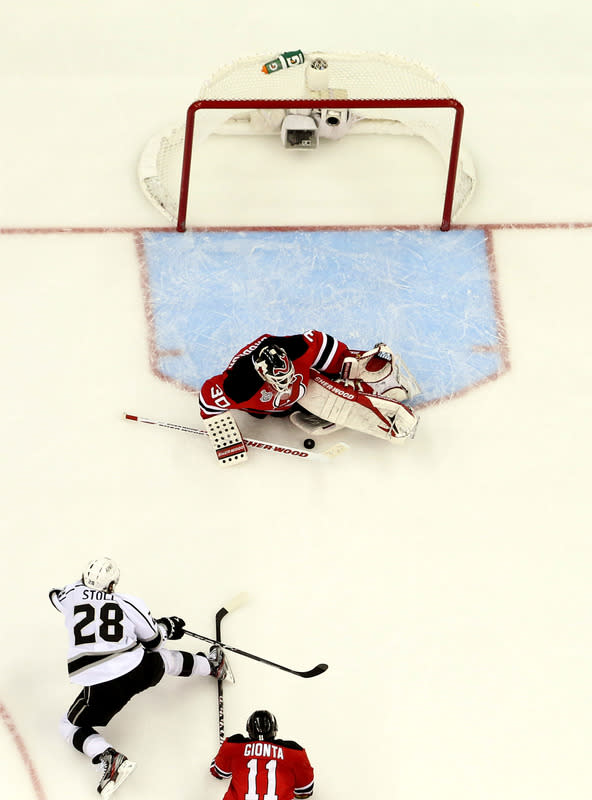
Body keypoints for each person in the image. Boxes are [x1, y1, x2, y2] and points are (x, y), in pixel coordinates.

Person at [50, 557, 228, 799]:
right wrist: (166, 626)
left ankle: (109, 758)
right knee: (162, 659)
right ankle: (213, 666)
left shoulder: (70, 596)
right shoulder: (128, 603)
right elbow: (154, 642)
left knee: (69, 726)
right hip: (137, 670)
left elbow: (55, 596)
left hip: (100, 683)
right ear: (112, 585)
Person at [199, 329, 421, 442]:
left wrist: (342, 366)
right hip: (263, 407)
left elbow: (322, 344)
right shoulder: (239, 387)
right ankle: (342, 390)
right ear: (262, 375)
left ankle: (349, 382)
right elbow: (207, 401)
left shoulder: (299, 349)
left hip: (302, 377)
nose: (285, 382)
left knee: (337, 366)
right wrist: (224, 437)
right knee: (308, 394)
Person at [211, 710, 314, 800]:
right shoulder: (294, 751)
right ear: (274, 729)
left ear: (249, 729)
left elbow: (219, 773)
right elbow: (304, 791)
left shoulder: (234, 746)